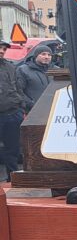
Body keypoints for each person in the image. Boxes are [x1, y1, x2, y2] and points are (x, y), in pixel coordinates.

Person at [1, 39, 28, 183]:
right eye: (0, 48)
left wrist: (21, 106)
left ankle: (12, 178)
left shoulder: (10, 67)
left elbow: (18, 87)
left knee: (12, 148)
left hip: (12, 113)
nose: (1, 51)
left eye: (4, 49)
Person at [16, 45, 53, 112]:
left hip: (53, 109)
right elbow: (18, 91)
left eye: (49, 55)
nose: (46, 57)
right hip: (33, 111)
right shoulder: (23, 70)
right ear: (36, 56)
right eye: (43, 54)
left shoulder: (56, 70)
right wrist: (31, 104)